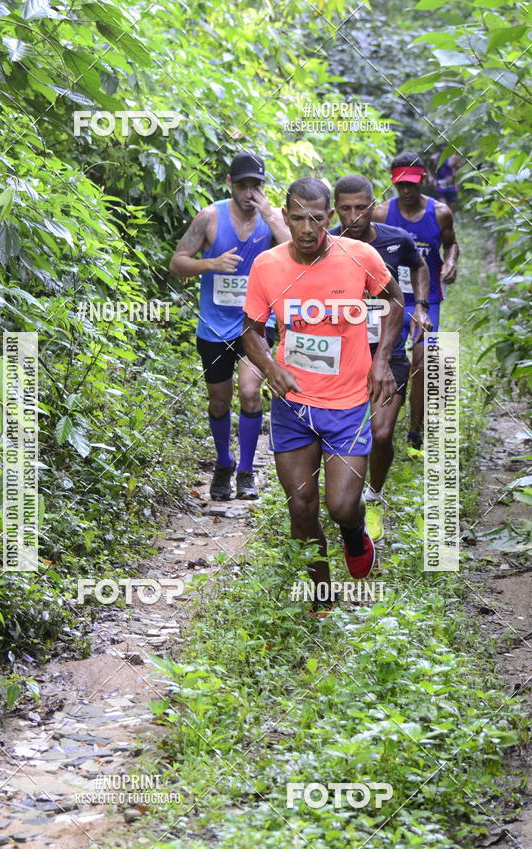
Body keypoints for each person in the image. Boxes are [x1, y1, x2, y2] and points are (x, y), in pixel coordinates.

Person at [242, 177, 404, 602]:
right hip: (293, 405)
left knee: (341, 506)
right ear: (285, 217)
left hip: (348, 402)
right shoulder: (268, 266)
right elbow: (251, 332)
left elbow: (392, 300)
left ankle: (354, 533)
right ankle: (321, 594)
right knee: (301, 507)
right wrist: (270, 367)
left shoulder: (360, 256)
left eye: (317, 218)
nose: (308, 228)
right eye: (298, 218)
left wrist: (382, 359)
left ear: (329, 217)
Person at [169, 152, 289, 500]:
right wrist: (211, 263)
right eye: (242, 185)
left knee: (251, 394)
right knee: (219, 401)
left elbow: (295, 250)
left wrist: (270, 213)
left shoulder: (271, 217)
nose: (249, 192)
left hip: (255, 324)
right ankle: (224, 464)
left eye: (256, 185)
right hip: (214, 327)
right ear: (229, 184)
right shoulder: (209, 217)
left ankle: (246, 471)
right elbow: (177, 263)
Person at [330, 174, 430, 541]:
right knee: (346, 433)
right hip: (344, 354)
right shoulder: (329, 244)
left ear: (374, 205)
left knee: (382, 431)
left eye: (361, 207)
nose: (354, 216)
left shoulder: (396, 239)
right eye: (345, 209)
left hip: (388, 350)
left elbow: (418, 265)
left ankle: (374, 496)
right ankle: (343, 499)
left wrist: (419, 305)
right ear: (335, 210)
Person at [373, 151, 459, 454]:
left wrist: (450, 262)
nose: (406, 192)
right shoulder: (382, 214)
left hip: (427, 300)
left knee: (421, 364)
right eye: (400, 185)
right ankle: (380, 420)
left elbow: (451, 245)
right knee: (385, 359)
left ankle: (415, 430)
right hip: (390, 300)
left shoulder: (440, 213)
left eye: (411, 184)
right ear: (393, 183)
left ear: (423, 179)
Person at [429, 144, 461, 212]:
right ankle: (443, 220)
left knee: (452, 206)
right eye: (443, 147)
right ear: (440, 148)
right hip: (440, 184)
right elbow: (431, 169)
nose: (444, 149)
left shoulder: (453, 157)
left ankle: (451, 220)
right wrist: (432, 178)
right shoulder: (434, 158)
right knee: (443, 206)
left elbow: (460, 168)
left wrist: (454, 176)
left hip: (451, 185)